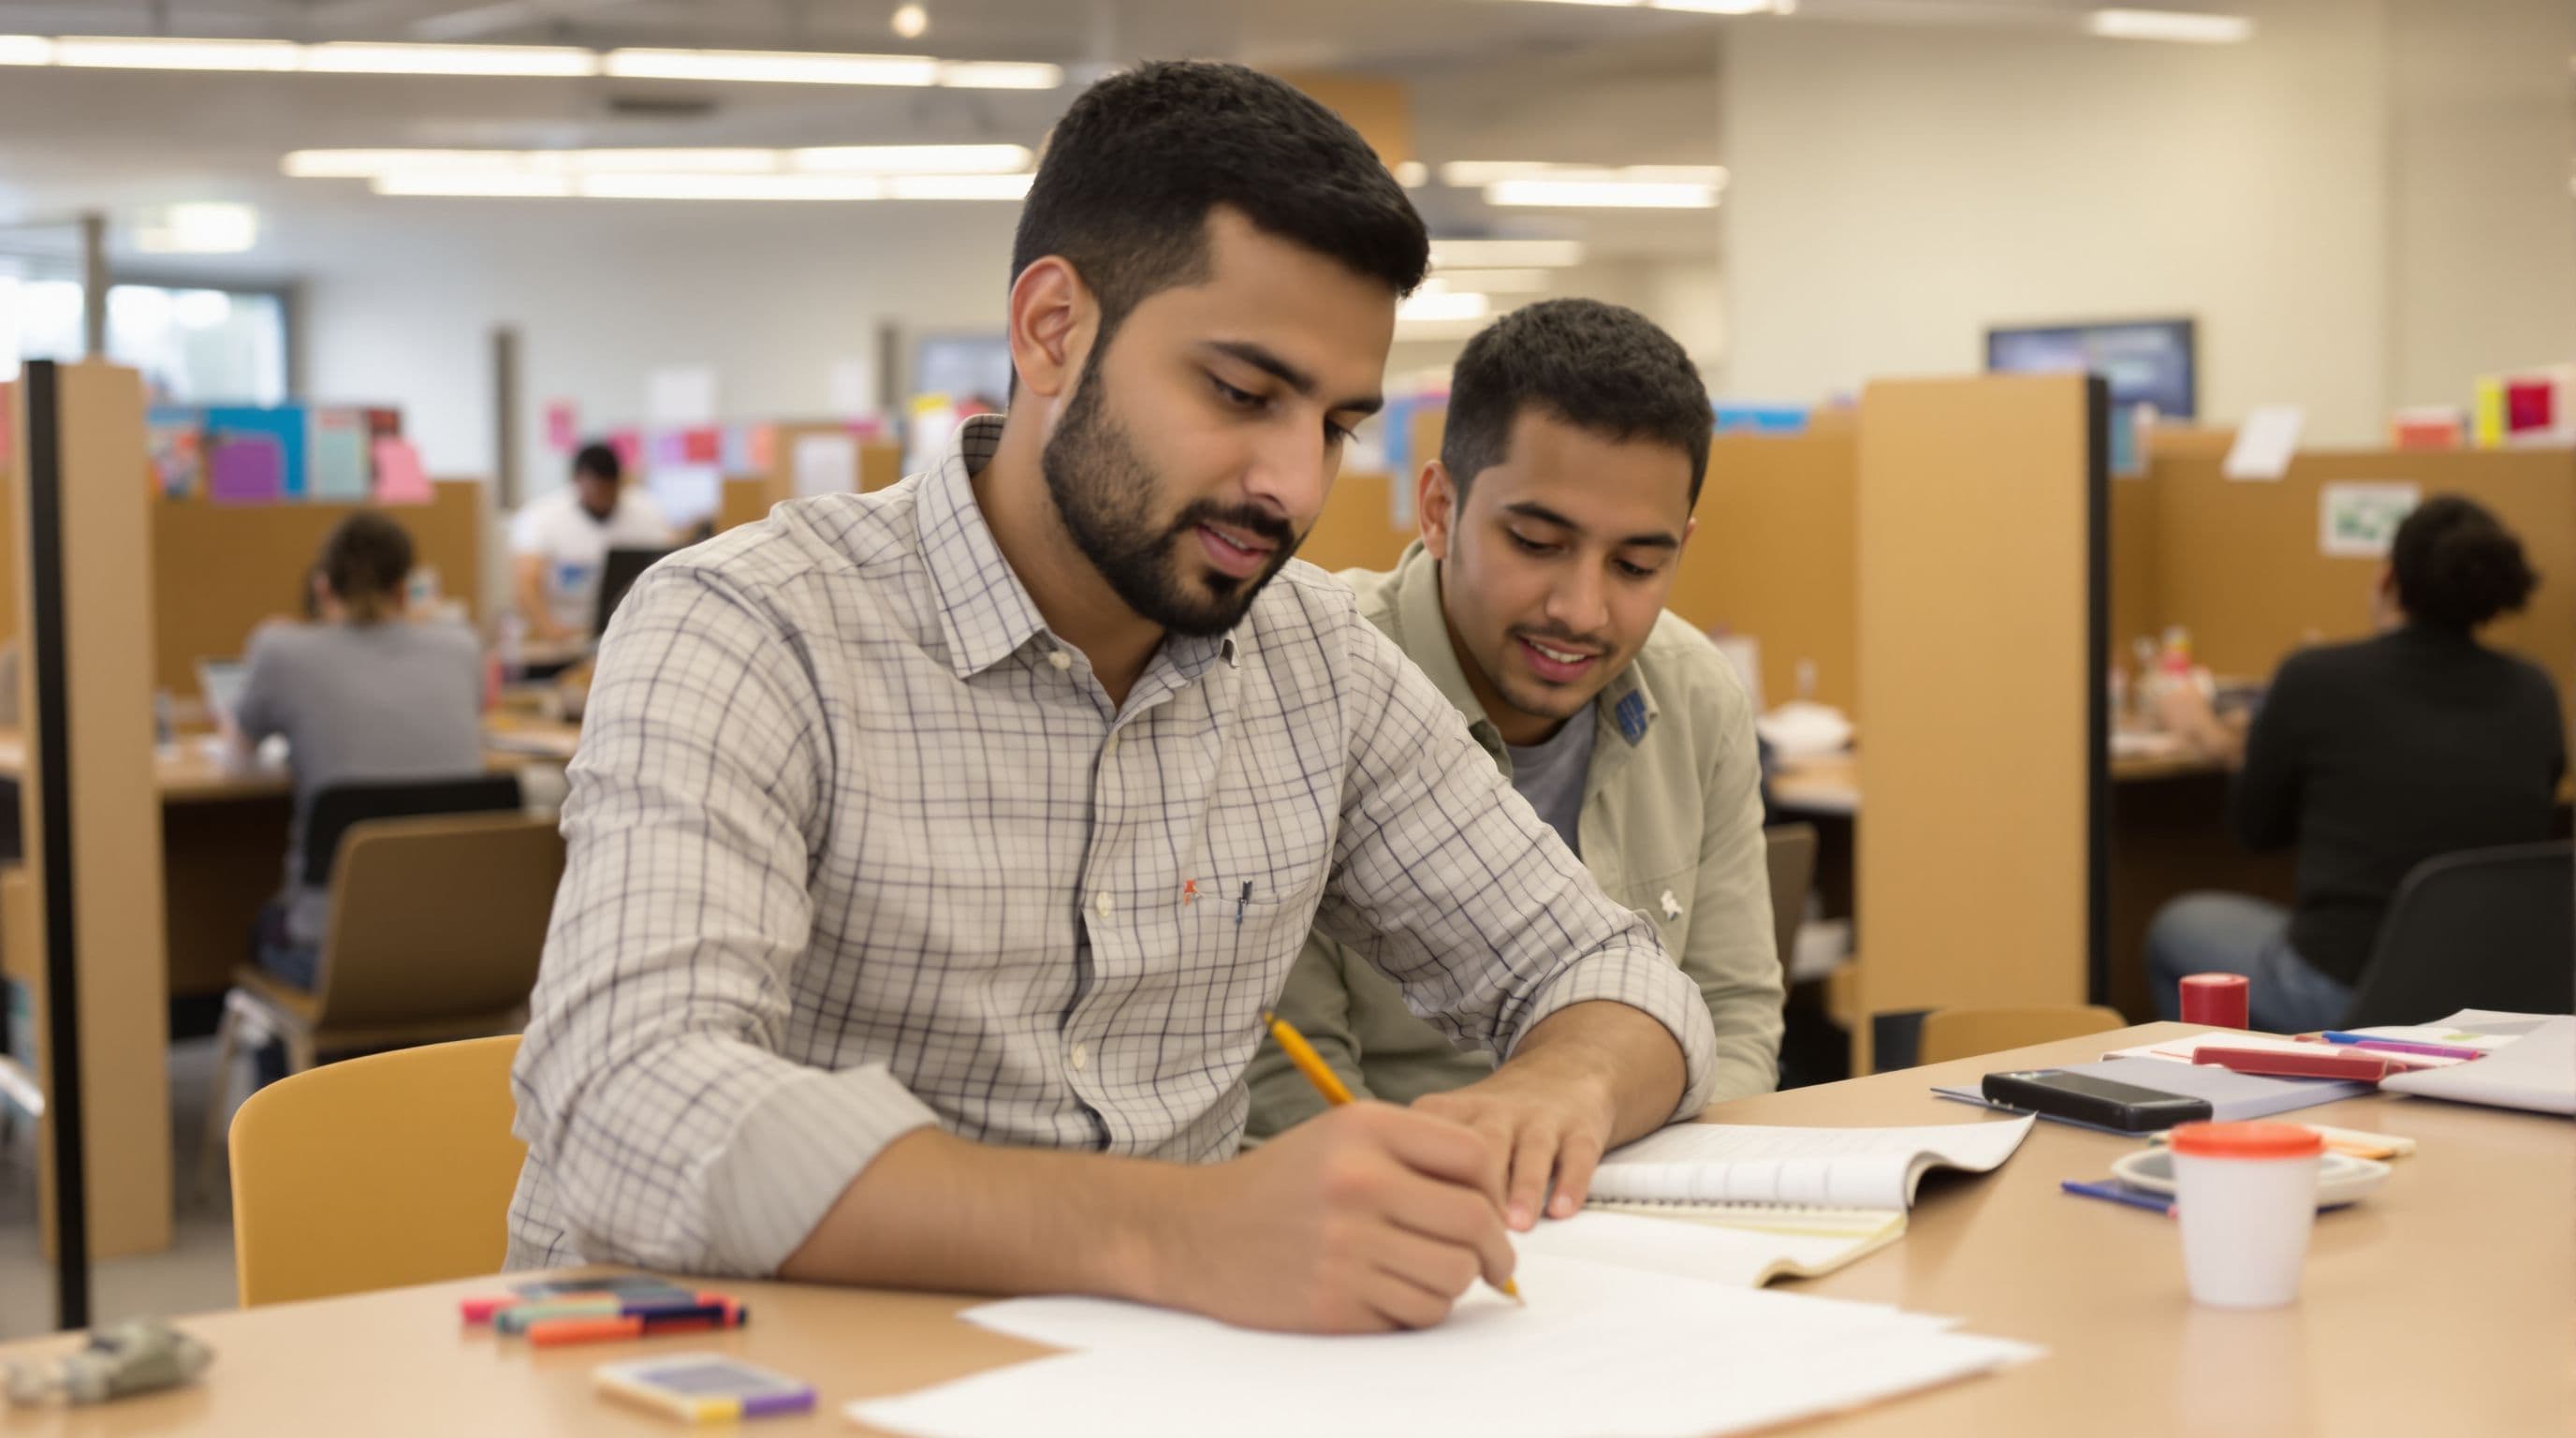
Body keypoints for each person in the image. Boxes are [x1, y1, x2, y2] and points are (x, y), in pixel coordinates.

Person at [507, 61, 1721, 1336]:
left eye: (1336, 424)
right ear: (1051, 332)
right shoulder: (753, 628)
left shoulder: (1316, 665)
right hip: (752, 1372)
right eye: (1242, 395)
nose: (1291, 487)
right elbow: (628, 1101)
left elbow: (1613, 973)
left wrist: (1554, 1091)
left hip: (1156, 1382)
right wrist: (1179, 1230)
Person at [1247, 300, 1782, 1140]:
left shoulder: (1694, 696)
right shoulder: (1315, 681)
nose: (1581, 610)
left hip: (1632, 1197)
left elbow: (1733, 1012)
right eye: (1535, 543)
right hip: (1397, 1208)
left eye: (1637, 565)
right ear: (1439, 509)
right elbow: (1291, 1079)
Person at [2148, 494, 2566, 1031]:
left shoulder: (2316, 676)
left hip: (2350, 992)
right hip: (2496, 994)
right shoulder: (2534, 690)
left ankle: (2204, 1096)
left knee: (2176, 924)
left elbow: (2255, 830)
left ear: (2388, 580)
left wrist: (2212, 736)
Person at [223, 512, 487, 990]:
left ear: (323, 589)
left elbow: (236, 760)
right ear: (407, 590)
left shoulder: (280, 650)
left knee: (260, 925)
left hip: (334, 956)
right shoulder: (463, 648)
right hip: (464, 943)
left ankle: (300, 1067)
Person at [508, 442, 674, 644]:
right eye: (595, 488)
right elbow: (527, 582)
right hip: (565, 635)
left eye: (608, 489)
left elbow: (671, 565)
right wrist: (549, 628)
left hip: (626, 633)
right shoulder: (541, 517)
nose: (602, 497)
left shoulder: (646, 513)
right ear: (577, 481)